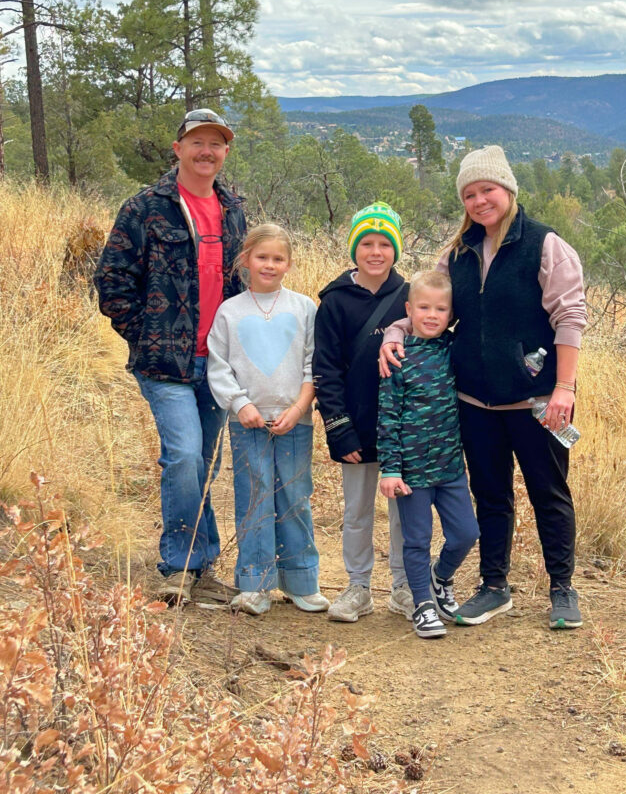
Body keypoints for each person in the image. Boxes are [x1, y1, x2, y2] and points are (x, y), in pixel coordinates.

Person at [381, 145, 587, 630]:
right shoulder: (457, 253)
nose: (479, 201)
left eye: (487, 190)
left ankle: (562, 589)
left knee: (549, 493)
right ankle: (494, 587)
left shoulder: (545, 244)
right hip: (475, 402)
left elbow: (570, 317)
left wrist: (564, 387)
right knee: (491, 497)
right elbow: (428, 308)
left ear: (508, 190)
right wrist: (394, 332)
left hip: (539, 401)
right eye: (469, 194)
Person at [94, 108, 246, 606]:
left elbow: (241, 284)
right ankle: (179, 565)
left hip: (218, 363)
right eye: (197, 142)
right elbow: (112, 280)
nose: (207, 151)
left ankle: (203, 559)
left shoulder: (233, 209)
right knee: (182, 455)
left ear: (224, 152)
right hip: (165, 363)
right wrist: (144, 334)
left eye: (216, 144)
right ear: (178, 149)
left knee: (204, 462)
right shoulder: (145, 208)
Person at [206, 224, 328, 616]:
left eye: (278, 259)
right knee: (254, 497)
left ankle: (302, 581)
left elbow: (314, 362)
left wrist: (298, 408)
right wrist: (240, 405)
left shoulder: (304, 307)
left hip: (295, 421)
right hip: (249, 423)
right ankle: (254, 584)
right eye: (262, 257)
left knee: (294, 496)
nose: (269, 265)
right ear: (246, 260)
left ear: (289, 263)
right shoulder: (231, 311)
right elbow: (219, 366)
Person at [313, 202, 414, 623]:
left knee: (405, 513)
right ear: (354, 249)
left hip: (403, 429)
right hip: (354, 425)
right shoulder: (334, 302)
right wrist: (339, 429)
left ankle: (406, 587)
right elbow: (325, 369)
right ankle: (358, 587)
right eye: (367, 243)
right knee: (356, 512)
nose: (376, 252)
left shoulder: (411, 297)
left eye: (384, 244)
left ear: (396, 250)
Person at [377, 270, 479, 639]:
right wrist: (391, 470)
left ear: (451, 314)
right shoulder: (398, 356)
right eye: (423, 308)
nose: (432, 315)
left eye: (440, 309)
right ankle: (422, 604)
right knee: (416, 540)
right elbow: (388, 417)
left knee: (467, 533)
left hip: (450, 467)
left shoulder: (453, 350)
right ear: (409, 310)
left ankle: (441, 578)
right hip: (412, 471)